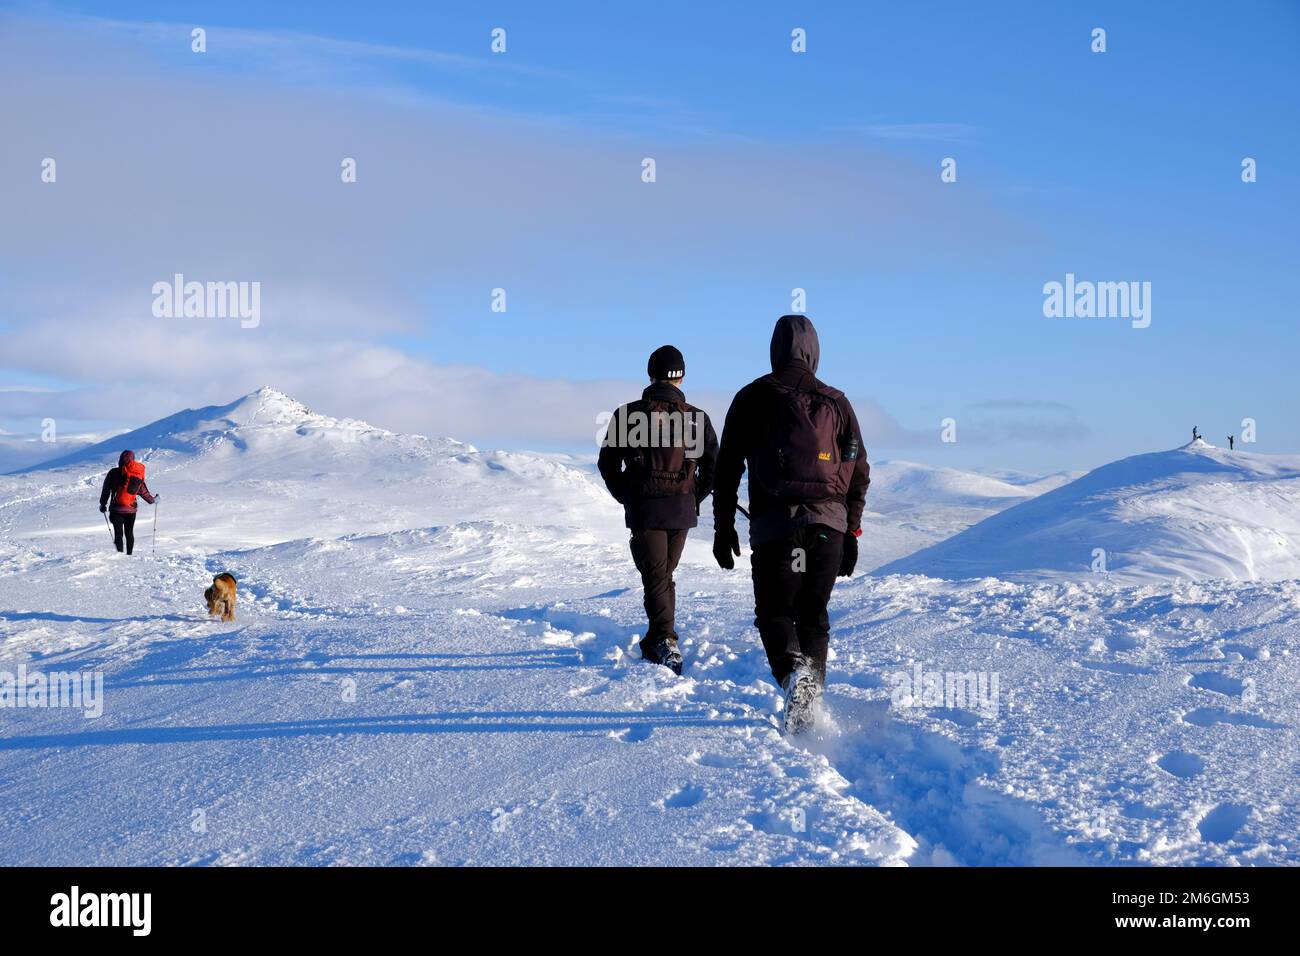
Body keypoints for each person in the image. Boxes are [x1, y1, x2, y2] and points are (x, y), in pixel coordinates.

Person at [712, 315, 869, 734]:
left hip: (776, 528)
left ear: (774, 349)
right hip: (827, 529)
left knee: (775, 613)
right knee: (813, 614)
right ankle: (810, 704)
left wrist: (722, 527)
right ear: (815, 351)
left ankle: (793, 677)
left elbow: (725, 470)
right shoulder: (837, 402)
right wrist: (851, 532)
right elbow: (858, 471)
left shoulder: (753, 397)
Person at [598, 346, 718, 675]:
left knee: (658, 577)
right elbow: (713, 467)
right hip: (681, 510)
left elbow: (606, 463)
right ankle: (660, 638)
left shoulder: (628, 415)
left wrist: (627, 495)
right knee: (661, 576)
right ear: (681, 377)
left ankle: (664, 641)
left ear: (650, 375)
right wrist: (695, 496)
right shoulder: (695, 418)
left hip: (645, 510)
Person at [98, 450, 157, 555]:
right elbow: (144, 493)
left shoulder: (113, 473)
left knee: (118, 534)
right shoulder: (136, 474)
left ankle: (120, 556)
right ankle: (129, 555)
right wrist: (153, 500)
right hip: (131, 510)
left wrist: (103, 504)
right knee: (129, 533)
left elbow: (106, 489)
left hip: (116, 509)